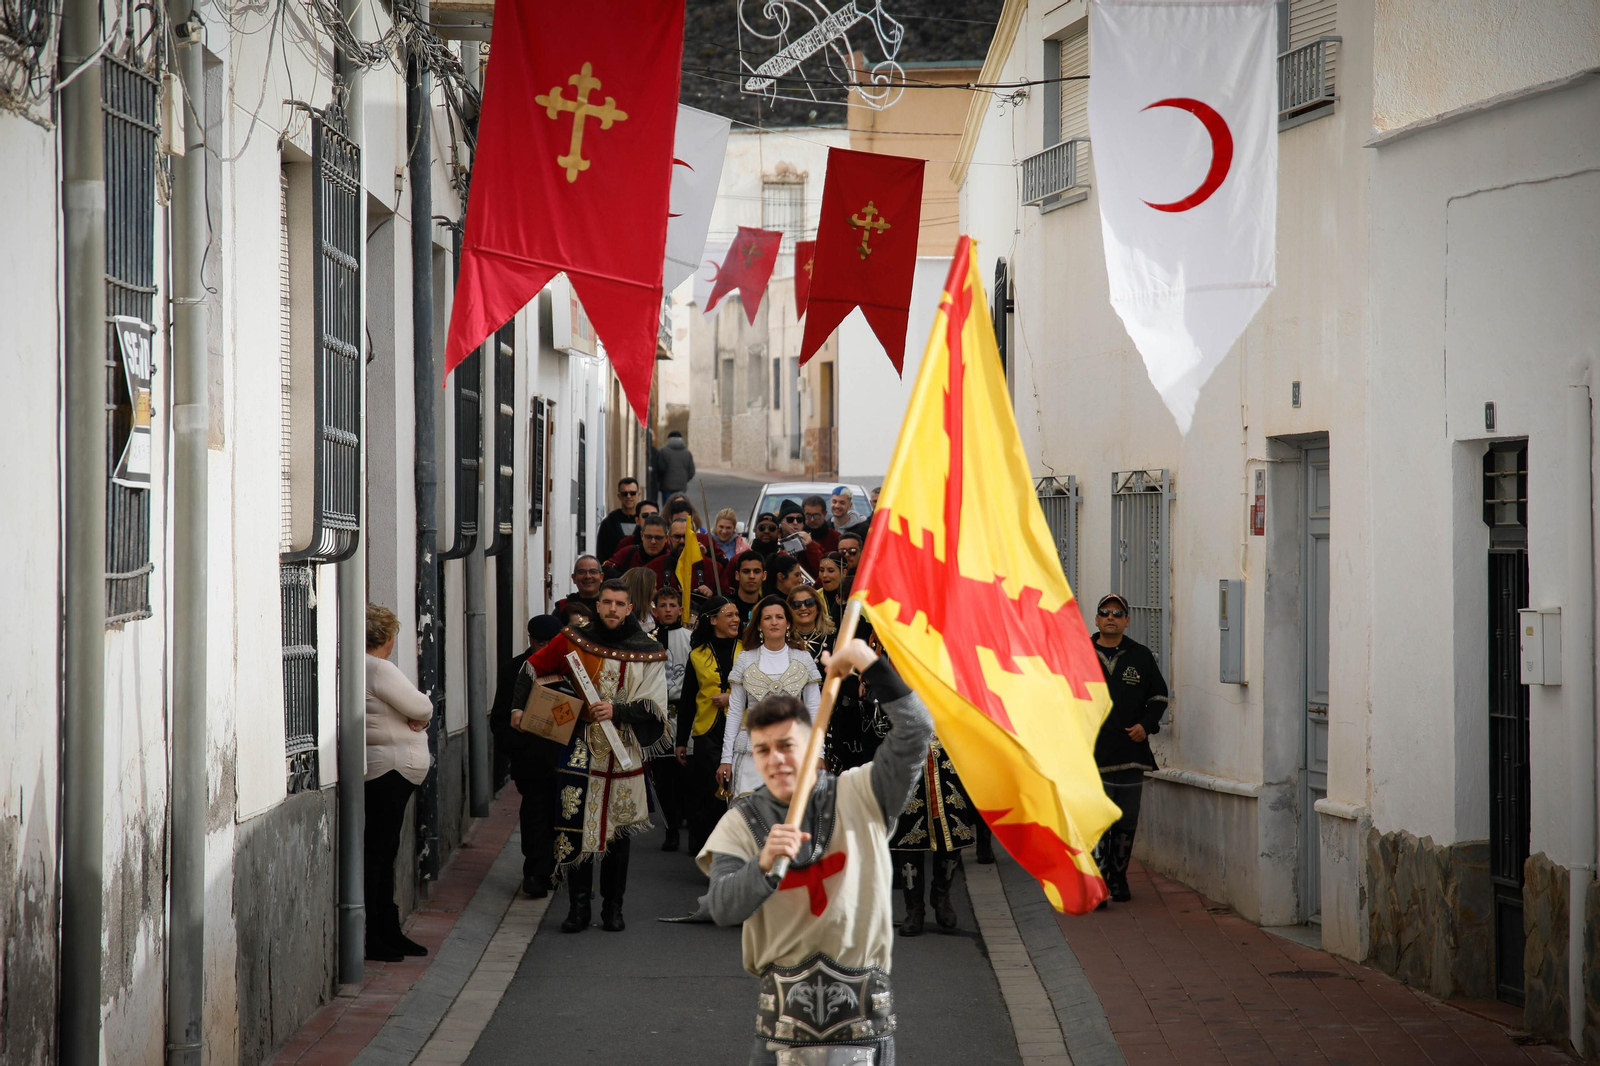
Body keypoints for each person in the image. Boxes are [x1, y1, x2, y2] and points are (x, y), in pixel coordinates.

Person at [701, 639, 933, 1066]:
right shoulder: (740, 821)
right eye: (762, 750)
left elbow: (916, 731)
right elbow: (721, 907)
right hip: (780, 1033)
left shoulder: (863, 792)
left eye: (787, 745)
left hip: (864, 1025)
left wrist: (867, 661)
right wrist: (763, 865)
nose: (775, 760)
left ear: (814, 745)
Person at [517, 580, 669, 932]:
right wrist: (517, 707)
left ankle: (613, 910)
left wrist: (617, 710)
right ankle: (578, 909)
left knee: (618, 833)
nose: (613, 609)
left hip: (623, 751)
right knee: (574, 827)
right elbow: (533, 666)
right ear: (597, 605)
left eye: (619, 603)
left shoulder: (648, 649)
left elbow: (655, 705)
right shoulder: (573, 638)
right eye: (607, 603)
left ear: (630, 608)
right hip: (580, 747)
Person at [364, 604, 434, 961]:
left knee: (382, 852)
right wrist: (420, 716)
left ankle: (385, 930)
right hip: (388, 771)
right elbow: (422, 707)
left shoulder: (362, 666)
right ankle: (376, 934)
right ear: (388, 638)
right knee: (380, 853)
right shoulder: (378, 668)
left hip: (384, 769)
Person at [1089, 592, 1169, 905]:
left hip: (1130, 755)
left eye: (1117, 613)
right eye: (1105, 612)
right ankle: (1097, 882)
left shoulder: (1140, 655)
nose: (1111, 617)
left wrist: (1145, 726)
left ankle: (1118, 878)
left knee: (1125, 820)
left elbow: (1159, 697)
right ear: (1096, 619)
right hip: (1091, 755)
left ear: (1127, 620)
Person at [493, 614, 567, 898]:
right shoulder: (514, 669)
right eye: (541, 644)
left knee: (562, 816)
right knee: (536, 815)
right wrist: (517, 749)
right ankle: (536, 872)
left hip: (563, 759)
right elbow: (500, 719)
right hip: (532, 760)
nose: (546, 649)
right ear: (531, 641)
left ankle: (558, 867)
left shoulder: (571, 667)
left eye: (553, 643)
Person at [719, 596, 822, 798]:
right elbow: (734, 713)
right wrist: (726, 758)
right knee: (751, 822)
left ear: (788, 623)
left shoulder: (803, 658)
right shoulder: (745, 659)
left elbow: (814, 710)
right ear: (759, 624)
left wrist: (819, 754)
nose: (774, 622)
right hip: (751, 756)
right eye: (767, 618)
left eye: (779, 617)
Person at [889, 728, 977, 936]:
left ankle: (941, 895)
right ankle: (915, 910)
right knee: (908, 838)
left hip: (949, 755)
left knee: (953, 832)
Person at [676, 596, 742, 854]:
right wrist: (681, 740)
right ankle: (706, 849)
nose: (736, 619)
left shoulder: (749, 651)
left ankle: (733, 850)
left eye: (737, 614)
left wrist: (733, 697)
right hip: (707, 732)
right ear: (713, 620)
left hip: (741, 730)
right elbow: (688, 700)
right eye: (729, 614)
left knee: (736, 791)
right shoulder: (697, 655)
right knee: (711, 792)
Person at [650, 587, 693, 852]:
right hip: (658, 715)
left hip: (684, 712)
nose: (667, 609)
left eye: (672, 605)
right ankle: (671, 829)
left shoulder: (691, 638)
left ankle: (689, 822)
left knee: (686, 775)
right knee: (663, 777)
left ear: (680, 609)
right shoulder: (646, 640)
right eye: (662, 605)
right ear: (654, 610)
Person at [650, 514, 720, 601]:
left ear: (695, 538)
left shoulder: (714, 568)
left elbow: (727, 600)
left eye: (686, 536)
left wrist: (712, 595)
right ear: (668, 539)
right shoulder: (653, 568)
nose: (682, 541)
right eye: (677, 536)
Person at [597, 476, 645, 563]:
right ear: (619, 496)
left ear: (638, 495)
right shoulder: (609, 523)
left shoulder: (644, 521)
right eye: (624, 493)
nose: (628, 496)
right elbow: (601, 553)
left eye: (632, 493)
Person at [605, 513, 671, 576]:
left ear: (666, 538)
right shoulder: (628, 553)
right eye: (648, 537)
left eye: (658, 538)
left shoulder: (672, 561)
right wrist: (625, 581)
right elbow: (606, 567)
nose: (653, 542)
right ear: (642, 535)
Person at [787, 585, 834, 671]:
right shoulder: (783, 640)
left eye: (809, 603)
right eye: (796, 604)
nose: (803, 608)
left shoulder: (834, 638)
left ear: (818, 607)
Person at [727, 550, 769, 632]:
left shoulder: (769, 608)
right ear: (737, 575)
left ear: (764, 576)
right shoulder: (724, 605)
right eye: (746, 571)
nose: (751, 576)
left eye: (757, 571)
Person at [657, 429, 696, 505]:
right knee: (679, 509)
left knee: (667, 509)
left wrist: (660, 480)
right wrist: (684, 479)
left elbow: (660, 468)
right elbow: (692, 471)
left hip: (666, 487)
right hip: (681, 488)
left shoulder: (663, 451)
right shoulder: (687, 453)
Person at [622, 567, 658, 635]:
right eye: (654, 587)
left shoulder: (652, 612)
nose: (656, 591)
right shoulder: (622, 618)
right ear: (643, 591)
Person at [816, 552, 847, 624]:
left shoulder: (855, 596)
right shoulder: (814, 597)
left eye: (830, 571)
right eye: (821, 570)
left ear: (844, 572)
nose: (824, 575)